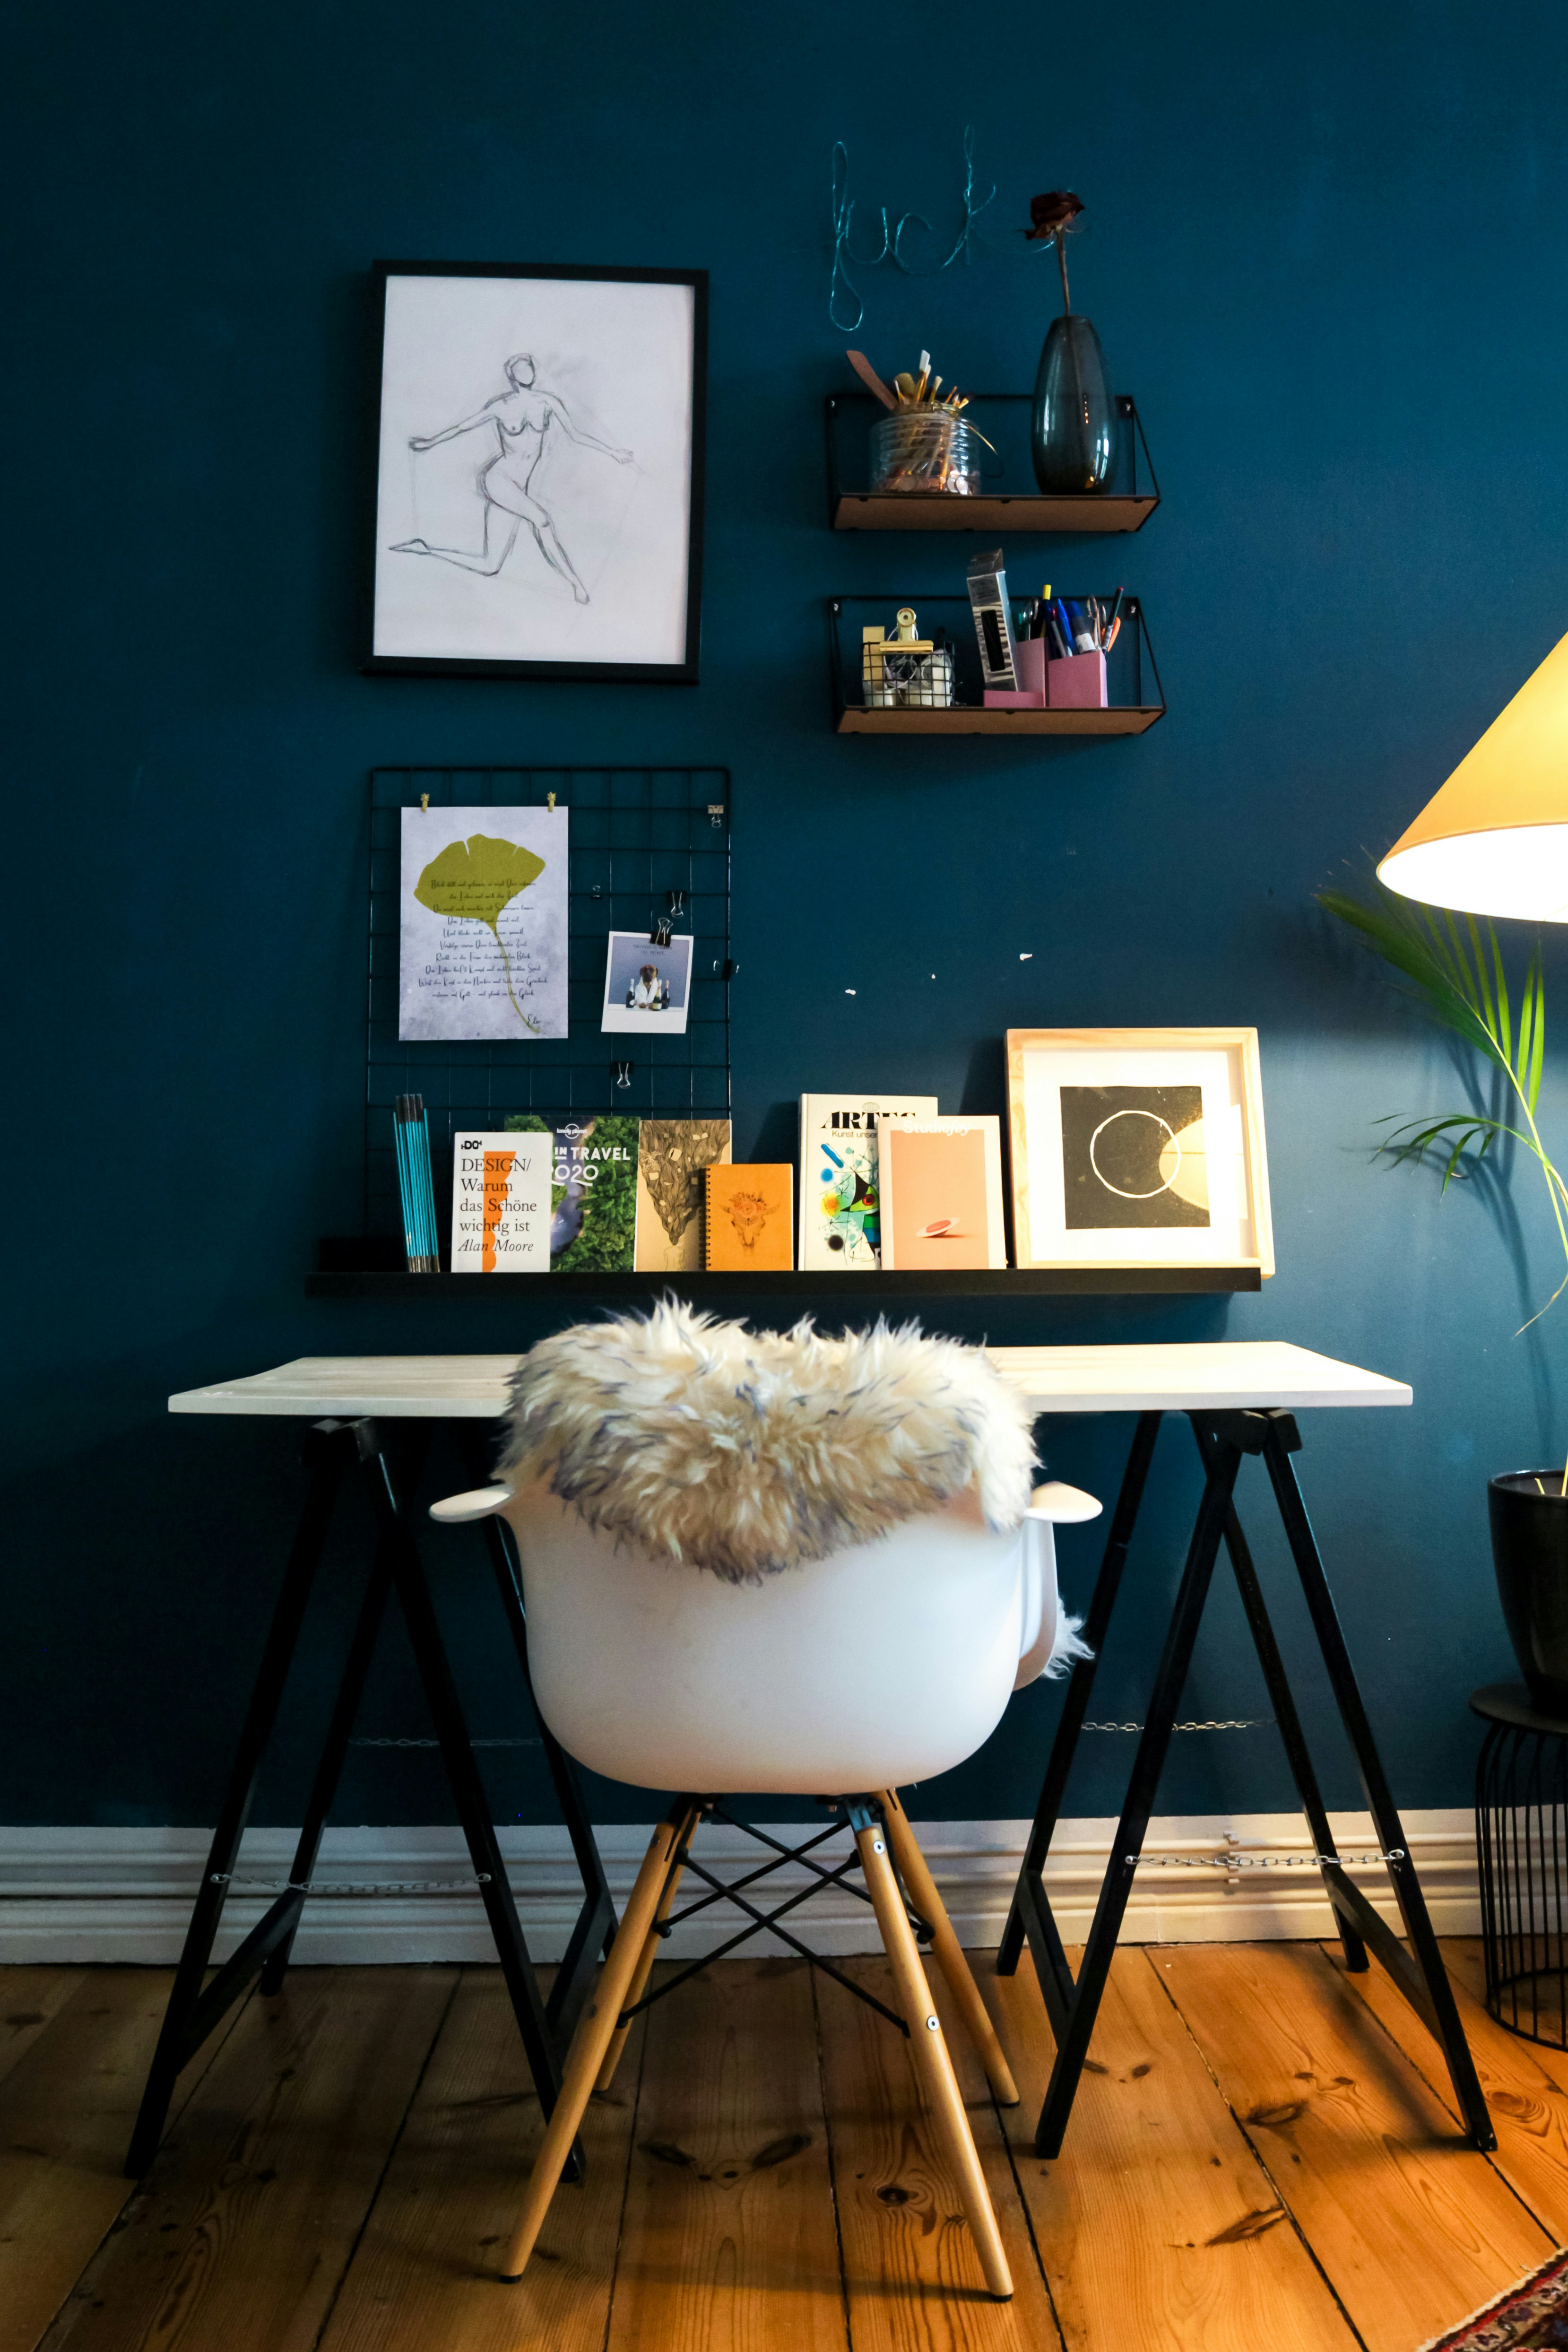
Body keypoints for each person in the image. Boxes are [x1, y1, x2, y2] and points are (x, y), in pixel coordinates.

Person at [393, 354, 632, 603]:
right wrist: (430, 442)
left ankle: (425, 548)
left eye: (528, 368)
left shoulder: (548, 403)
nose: (525, 372)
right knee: (542, 521)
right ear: (512, 376)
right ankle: (576, 585)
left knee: (489, 565)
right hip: (498, 480)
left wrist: (613, 452)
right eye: (519, 369)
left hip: (519, 487)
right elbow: (463, 427)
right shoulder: (501, 406)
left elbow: (577, 434)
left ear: (534, 372)